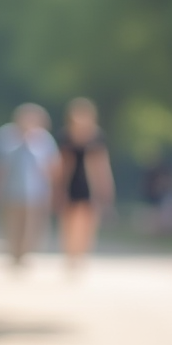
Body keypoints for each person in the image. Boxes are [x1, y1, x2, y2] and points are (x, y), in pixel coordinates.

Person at [0, 103, 59, 266]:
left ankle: (25, 254)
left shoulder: (44, 139)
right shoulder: (5, 136)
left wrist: (53, 191)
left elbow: (53, 166)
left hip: (36, 193)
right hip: (9, 190)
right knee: (11, 224)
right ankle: (13, 253)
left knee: (32, 226)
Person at [56, 98, 115, 270]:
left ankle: (81, 254)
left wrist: (106, 190)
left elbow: (102, 166)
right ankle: (70, 254)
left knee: (88, 221)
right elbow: (63, 165)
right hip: (71, 182)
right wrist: (58, 188)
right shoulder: (66, 136)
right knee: (69, 220)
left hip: (89, 184)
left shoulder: (97, 137)